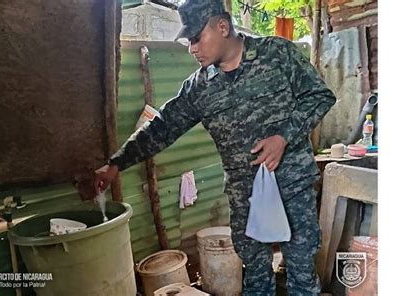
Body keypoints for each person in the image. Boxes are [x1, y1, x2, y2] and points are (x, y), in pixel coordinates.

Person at [94, 0, 336, 295]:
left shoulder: (277, 54)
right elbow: (161, 128)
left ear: (223, 27)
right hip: (244, 195)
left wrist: (283, 137)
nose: (192, 48)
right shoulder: (200, 87)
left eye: (197, 37)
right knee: (256, 275)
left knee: (300, 271)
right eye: (188, 41)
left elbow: (320, 96)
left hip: (292, 186)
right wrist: (115, 164)